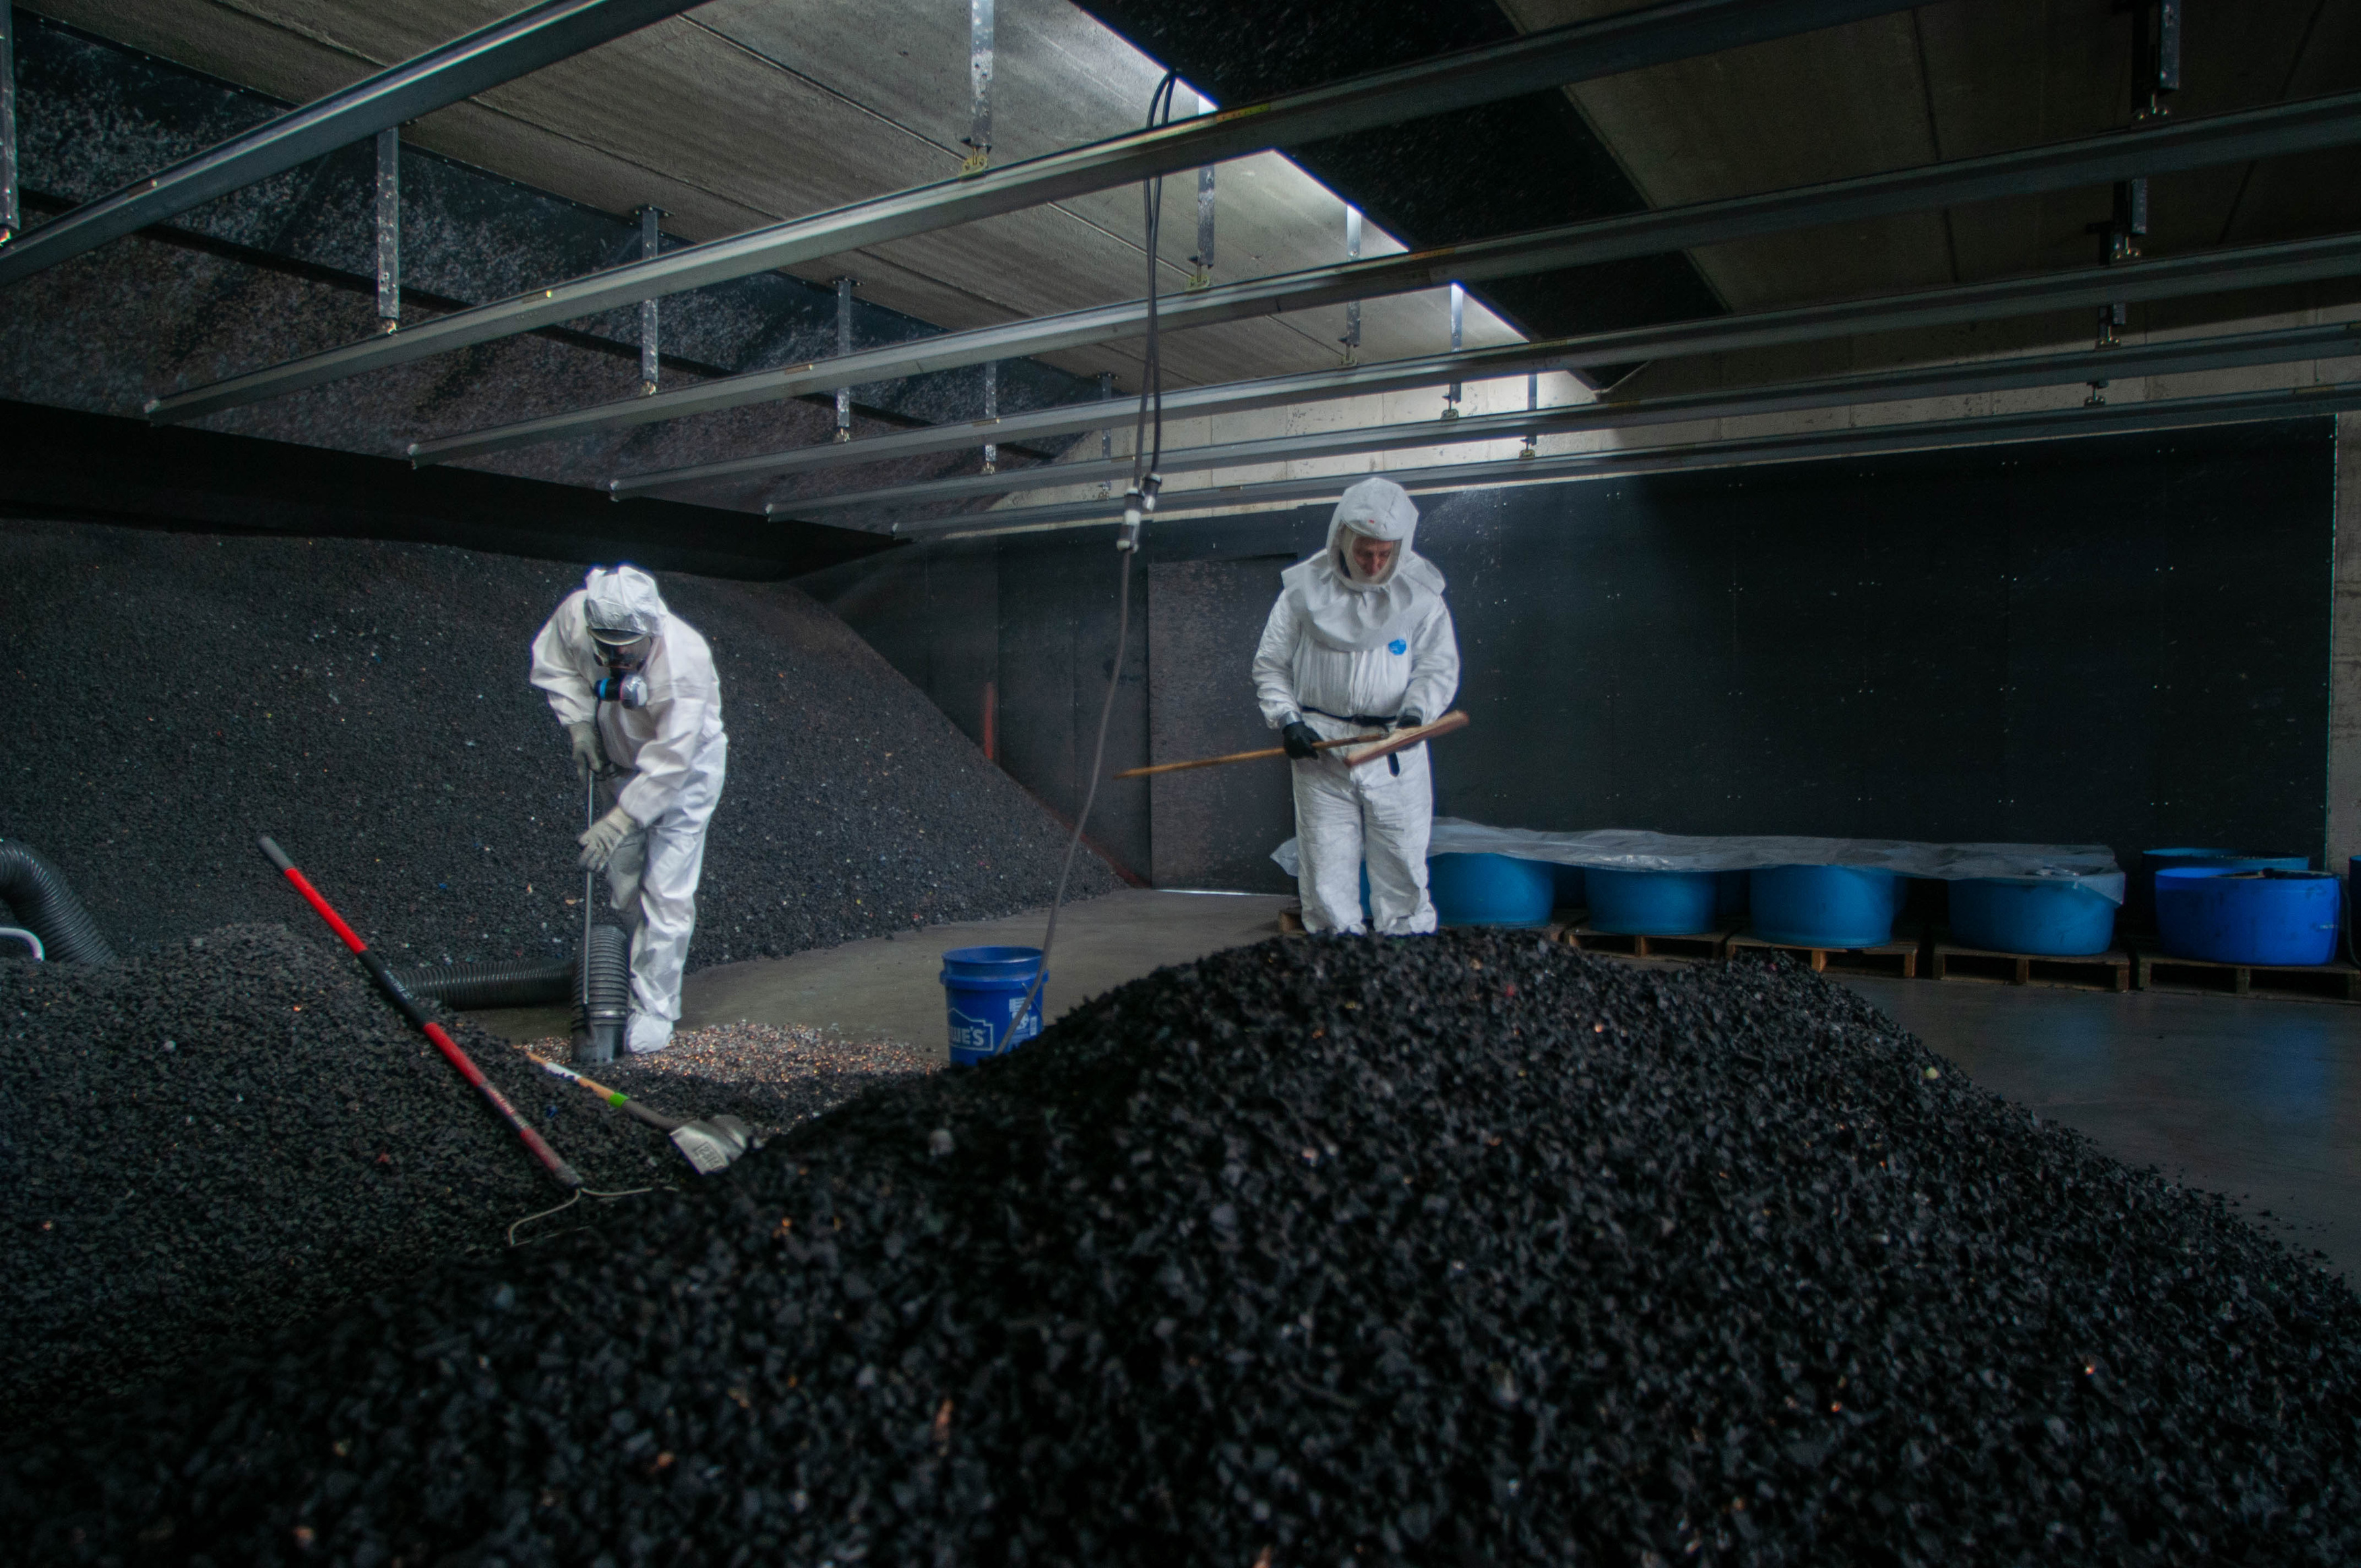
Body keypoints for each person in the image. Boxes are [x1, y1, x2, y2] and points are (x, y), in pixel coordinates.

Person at [529, 565, 727, 1054]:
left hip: (685, 777)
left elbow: (671, 759)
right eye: (608, 647)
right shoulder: (578, 615)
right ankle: (635, 973)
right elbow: (555, 662)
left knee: (666, 888)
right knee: (625, 885)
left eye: (629, 648)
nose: (618, 658)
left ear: (651, 630)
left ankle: (656, 1006)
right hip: (620, 762)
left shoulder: (683, 659)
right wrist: (578, 725)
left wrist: (618, 821)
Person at [1252, 477, 1460, 935]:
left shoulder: (1421, 597)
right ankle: (1337, 958)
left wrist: (1415, 715)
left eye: (1385, 554)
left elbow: (1437, 669)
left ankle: (1405, 956)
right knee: (1324, 863)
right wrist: (1288, 720)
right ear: (1342, 539)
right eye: (1365, 552)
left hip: (1395, 748)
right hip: (1322, 748)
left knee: (1402, 858)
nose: (1374, 563)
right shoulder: (1303, 592)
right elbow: (1270, 666)